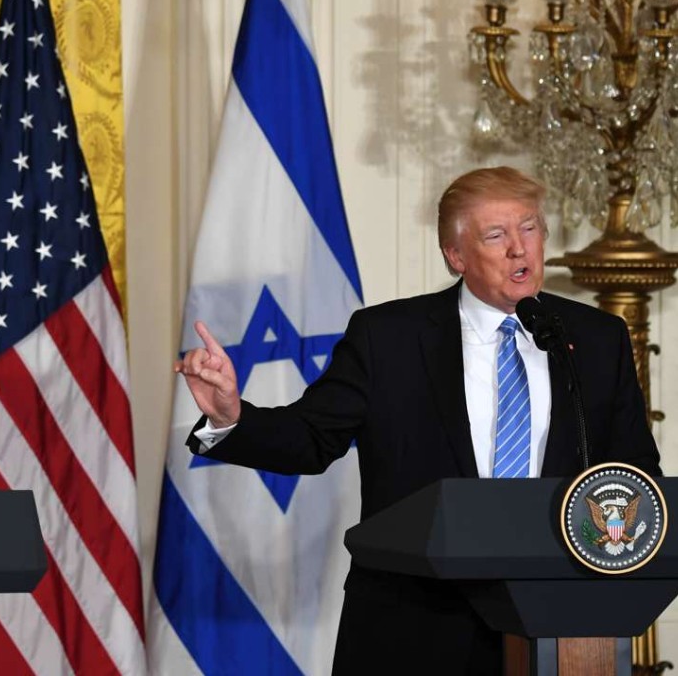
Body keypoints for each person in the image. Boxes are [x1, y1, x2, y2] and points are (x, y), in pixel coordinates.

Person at [175, 167, 661, 674]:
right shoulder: (388, 338)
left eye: (530, 227)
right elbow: (311, 439)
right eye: (496, 235)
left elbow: (633, 471)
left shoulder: (597, 338)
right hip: (415, 628)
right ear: (456, 256)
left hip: (560, 630)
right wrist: (231, 416)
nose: (520, 248)